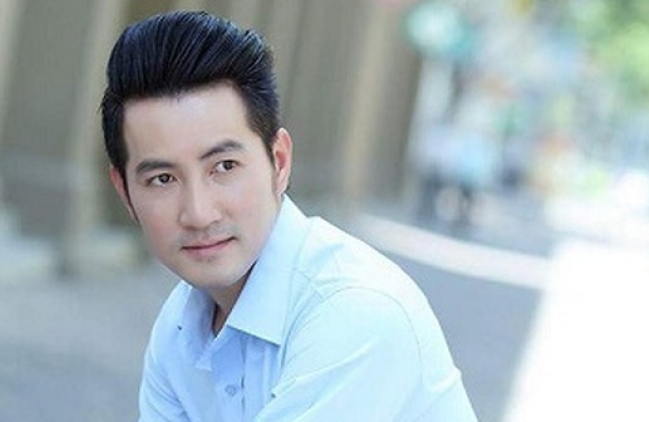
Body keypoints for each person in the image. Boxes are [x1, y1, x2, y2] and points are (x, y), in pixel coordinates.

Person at [100, 10, 477, 422]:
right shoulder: (180, 327)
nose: (199, 213)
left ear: (278, 162)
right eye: (163, 179)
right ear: (125, 192)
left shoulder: (355, 311)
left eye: (224, 167)